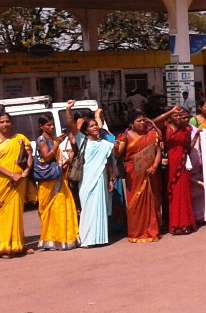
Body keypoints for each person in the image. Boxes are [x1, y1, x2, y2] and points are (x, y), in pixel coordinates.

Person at [66, 101, 115, 248]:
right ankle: (87, 239)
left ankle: (99, 238)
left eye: (96, 126)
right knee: (88, 208)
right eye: (92, 126)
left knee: (100, 207)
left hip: (101, 178)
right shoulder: (82, 141)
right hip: (87, 179)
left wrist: (111, 179)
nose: (96, 128)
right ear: (86, 130)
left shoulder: (104, 144)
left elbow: (108, 162)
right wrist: (68, 109)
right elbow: (70, 124)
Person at [0, 109, 33, 257]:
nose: (5, 124)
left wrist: (25, 173)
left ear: (11, 123)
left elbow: (29, 156)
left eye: (7, 121)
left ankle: (18, 245)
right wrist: (11, 175)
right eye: (2, 122)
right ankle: (3, 248)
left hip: (19, 181)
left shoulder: (20, 138)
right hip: (1, 181)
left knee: (17, 213)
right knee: (1, 214)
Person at [113, 111, 162, 243]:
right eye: (138, 121)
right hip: (133, 173)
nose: (142, 123)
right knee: (135, 202)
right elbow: (117, 155)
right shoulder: (125, 137)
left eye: (143, 121)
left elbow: (158, 152)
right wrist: (115, 148)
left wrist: (154, 167)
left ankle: (152, 230)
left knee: (152, 201)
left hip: (150, 172)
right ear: (131, 124)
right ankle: (136, 231)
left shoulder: (152, 135)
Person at [35, 114, 77, 250]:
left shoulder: (53, 139)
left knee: (62, 207)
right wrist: (57, 144)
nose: (51, 127)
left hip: (58, 178)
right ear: (41, 126)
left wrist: (67, 160)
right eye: (48, 125)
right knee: (49, 209)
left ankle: (63, 238)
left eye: (52, 124)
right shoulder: (42, 140)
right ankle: (51, 238)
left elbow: (57, 159)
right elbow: (47, 158)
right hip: (48, 181)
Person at [155, 106, 198, 235]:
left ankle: (186, 223)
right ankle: (175, 224)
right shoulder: (167, 129)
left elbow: (188, 148)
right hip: (171, 163)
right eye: (176, 116)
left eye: (181, 116)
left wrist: (195, 138)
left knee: (184, 192)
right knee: (173, 193)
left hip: (183, 162)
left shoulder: (186, 129)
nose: (179, 118)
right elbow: (155, 122)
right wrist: (170, 111)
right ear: (170, 118)